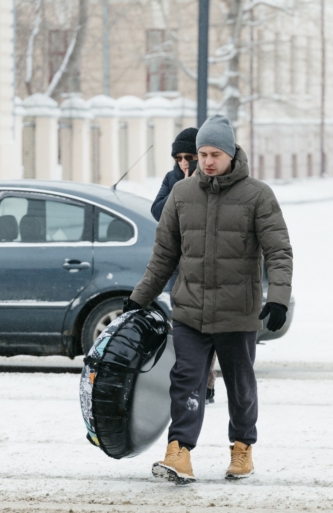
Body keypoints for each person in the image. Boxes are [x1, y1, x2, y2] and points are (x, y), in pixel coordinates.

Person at [124, 114, 293, 485]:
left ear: (231, 153)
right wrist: (139, 298)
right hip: (190, 310)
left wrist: (278, 298)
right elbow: (164, 256)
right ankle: (179, 451)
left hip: (237, 312)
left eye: (215, 153)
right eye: (202, 153)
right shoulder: (181, 195)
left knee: (240, 384)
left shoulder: (257, 195)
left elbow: (279, 251)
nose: (207, 161)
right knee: (186, 380)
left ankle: (242, 448)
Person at [151, 128, 218, 405]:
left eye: (188, 156)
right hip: (179, 266)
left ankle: (208, 382)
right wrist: (182, 187)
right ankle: (195, 384)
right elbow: (159, 211)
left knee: (210, 328)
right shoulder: (173, 179)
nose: (183, 163)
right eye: (178, 157)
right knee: (186, 327)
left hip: (206, 265)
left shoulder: (213, 180)